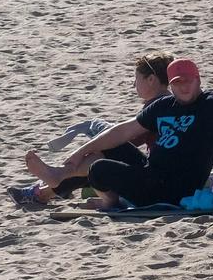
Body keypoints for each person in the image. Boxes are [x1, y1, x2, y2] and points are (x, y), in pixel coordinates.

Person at [26, 59, 213, 210]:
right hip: (151, 175)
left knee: (101, 168)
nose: (183, 87)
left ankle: (105, 199)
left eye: (188, 81)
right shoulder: (163, 106)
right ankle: (61, 177)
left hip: (175, 190)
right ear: (169, 84)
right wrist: (81, 149)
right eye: (177, 82)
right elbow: (124, 131)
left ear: (198, 80)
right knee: (105, 149)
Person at [11, 51, 174, 208]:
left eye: (136, 79)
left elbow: (124, 139)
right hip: (159, 176)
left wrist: (86, 147)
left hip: (156, 181)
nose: (133, 84)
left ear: (151, 79)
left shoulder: (158, 107)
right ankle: (48, 186)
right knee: (99, 154)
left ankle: (47, 187)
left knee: (105, 150)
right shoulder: (171, 102)